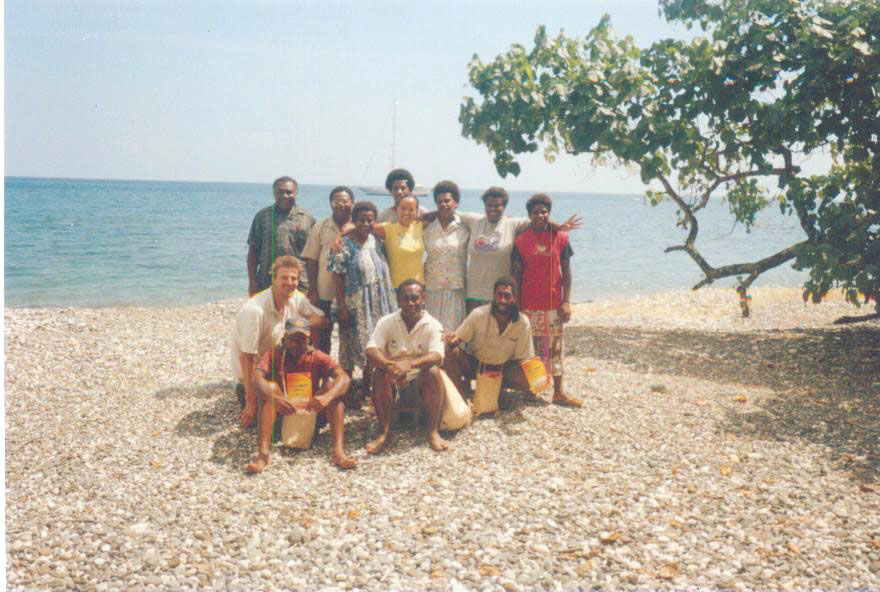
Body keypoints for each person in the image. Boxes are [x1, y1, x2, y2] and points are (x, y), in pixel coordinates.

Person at [422, 187, 582, 314]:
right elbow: (446, 210)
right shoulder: (474, 220)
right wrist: (420, 216)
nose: (493, 209)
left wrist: (558, 227)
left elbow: (539, 219)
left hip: (501, 295)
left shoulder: (513, 224)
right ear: (484, 206)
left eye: (498, 205)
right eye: (489, 205)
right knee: (476, 342)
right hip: (473, 292)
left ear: (504, 206)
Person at [244, 318, 355, 473]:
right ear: (284, 339)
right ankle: (263, 454)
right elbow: (255, 378)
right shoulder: (274, 354)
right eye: (292, 339)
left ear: (309, 339)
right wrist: (275, 399)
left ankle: (338, 452)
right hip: (282, 414)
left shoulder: (317, 356)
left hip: (309, 414)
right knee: (269, 389)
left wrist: (326, 397)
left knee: (333, 389)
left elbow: (344, 378)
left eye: (301, 339)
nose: (296, 344)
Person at [230, 256, 325, 429]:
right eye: (284, 277)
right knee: (270, 425)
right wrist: (251, 402)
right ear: (273, 279)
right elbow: (246, 358)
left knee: (315, 419)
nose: (289, 282)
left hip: (281, 366)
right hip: (256, 375)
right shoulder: (255, 311)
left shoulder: (296, 297)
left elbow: (321, 319)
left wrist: (298, 325)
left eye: (294, 278)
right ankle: (247, 396)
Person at [513, 193, 582, 407]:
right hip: (529, 305)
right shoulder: (520, 241)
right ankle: (534, 389)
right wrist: (517, 306)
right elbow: (516, 275)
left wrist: (566, 301)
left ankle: (559, 392)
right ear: (529, 215)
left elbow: (567, 272)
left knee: (555, 348)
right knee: (533, 350)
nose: (540, 216)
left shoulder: (561, 238)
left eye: (544, 212)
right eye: (535, 212)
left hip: (553, 304)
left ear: (549, 213)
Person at [365, 279, 448, 454]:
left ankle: (433, 431)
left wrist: (409, 365)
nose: (411, 303)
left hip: (419, 381)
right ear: (398, 300)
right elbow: (371, 349)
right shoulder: (386, 321)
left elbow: (437, 355)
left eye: (415, 298)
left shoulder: (433, 325)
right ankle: (384, 433)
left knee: (433, 371)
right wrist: (392, 367)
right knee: (378, 373)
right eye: (406, 298)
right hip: (392, 377)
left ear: (423, 298)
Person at [329, 201, 397, 388]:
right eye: (361, 220)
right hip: (354, 302)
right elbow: (337, 276)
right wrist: (342, 306)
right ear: (354, 220)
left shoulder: (378, 241)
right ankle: (347, 388)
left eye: (370, 220)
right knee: (349, 344)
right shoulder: (344, 245)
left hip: (379, 301)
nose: (365, 224)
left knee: (374, 341)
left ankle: (370, 386)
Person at [444, 276, 534, 397]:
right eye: (499, 295)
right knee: (450, 352)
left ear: (514, 299)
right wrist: (451, 341)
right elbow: (458, 339)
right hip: (476, 366)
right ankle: (460, 396)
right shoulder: (478, 314)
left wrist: (535, 377)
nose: (502, 300)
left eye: (507, 296)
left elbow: (523, 358)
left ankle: (497, 388)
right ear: (493, 295)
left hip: (503, 370)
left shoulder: (523, 322)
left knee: (531, 379)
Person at [302, 186, 354, 354]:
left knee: (350, 336)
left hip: (352, 293)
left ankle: (347, 373)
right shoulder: (321, 226)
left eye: (345, 201)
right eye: (336, 201)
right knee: (322, 336)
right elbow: (311, 260)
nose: (341, 205)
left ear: (352, 203)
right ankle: (324, 372)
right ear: (330, 204)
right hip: (325, 292)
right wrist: (313, 291)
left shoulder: (359, 226)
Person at [338, 194, 425, 289]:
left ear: (417, 211)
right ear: (397, 209)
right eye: (403, 208)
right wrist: (339, 236)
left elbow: (438, 214)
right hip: (396, 287)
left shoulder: (419, 226)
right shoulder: (387, 228)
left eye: (411, 209)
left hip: (418, 286)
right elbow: (361, 226)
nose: (406, 212)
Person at [247, 176, 316, 296]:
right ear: (274, 194)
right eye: (280, 192)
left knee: (296, 315)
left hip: (299, 283)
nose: (284, 196)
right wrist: (252, 282)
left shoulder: (307, 218)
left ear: (296, 194)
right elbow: (253, 251)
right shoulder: (262, 216)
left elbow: (313, 256)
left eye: (289, 192)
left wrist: (314, 288)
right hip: (266, 282)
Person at [423, 180, 469, 332]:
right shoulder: (427, 228)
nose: (443, 204)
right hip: (432, 290)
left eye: (447, 200)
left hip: (455, 290)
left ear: (456, 203)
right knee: (431, 333)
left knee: (452, 336)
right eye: (439, 201)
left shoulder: (465, 228)